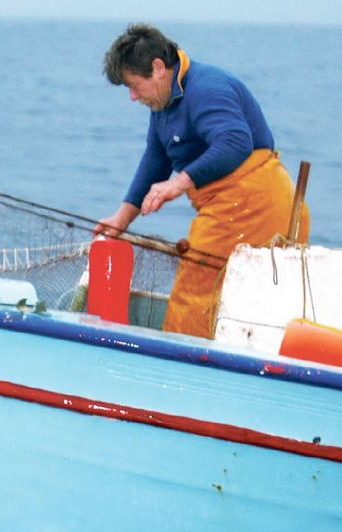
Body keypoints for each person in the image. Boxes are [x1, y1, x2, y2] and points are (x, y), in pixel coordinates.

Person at [94, 23, 309, 339]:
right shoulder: (164, 101)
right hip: (228, 204)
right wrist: (122, 218)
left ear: (158, 68)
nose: (132, 96)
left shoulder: (206, 88)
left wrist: (178, 184)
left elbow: (236, 141)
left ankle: (184, 368)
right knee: (226, 290)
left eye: (134, 85)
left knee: (195, 286)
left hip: (251, 200)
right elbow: (157, 158)